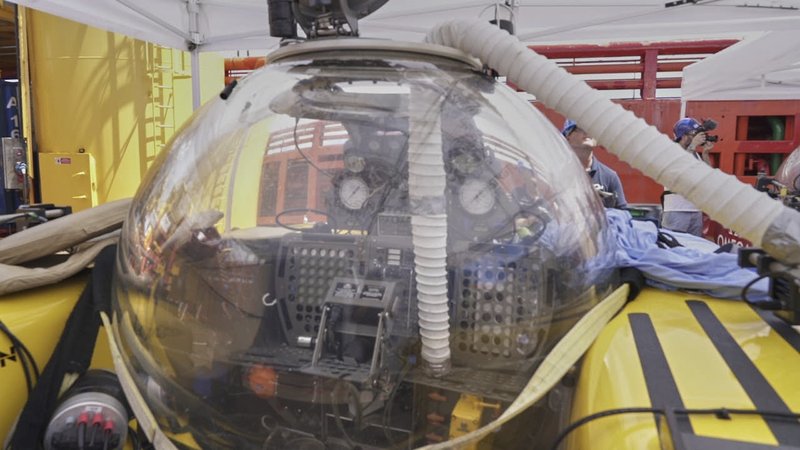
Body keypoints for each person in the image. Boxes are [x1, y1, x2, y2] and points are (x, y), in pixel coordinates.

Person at [661, 117, 715, 236]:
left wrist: (705, 153)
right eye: (693, 134)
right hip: (676, 210)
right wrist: (693, 146)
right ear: (683, 136)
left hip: (695, 210)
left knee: (694, 249)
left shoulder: (695, 154)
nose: (697, 137)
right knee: (674, 247)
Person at [561, 119, 627, 208]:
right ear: (568, 137)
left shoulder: (610, 177)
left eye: (592, 129)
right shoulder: (558, 176)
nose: (587, 132)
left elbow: (623, 214)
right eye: (581, 128)